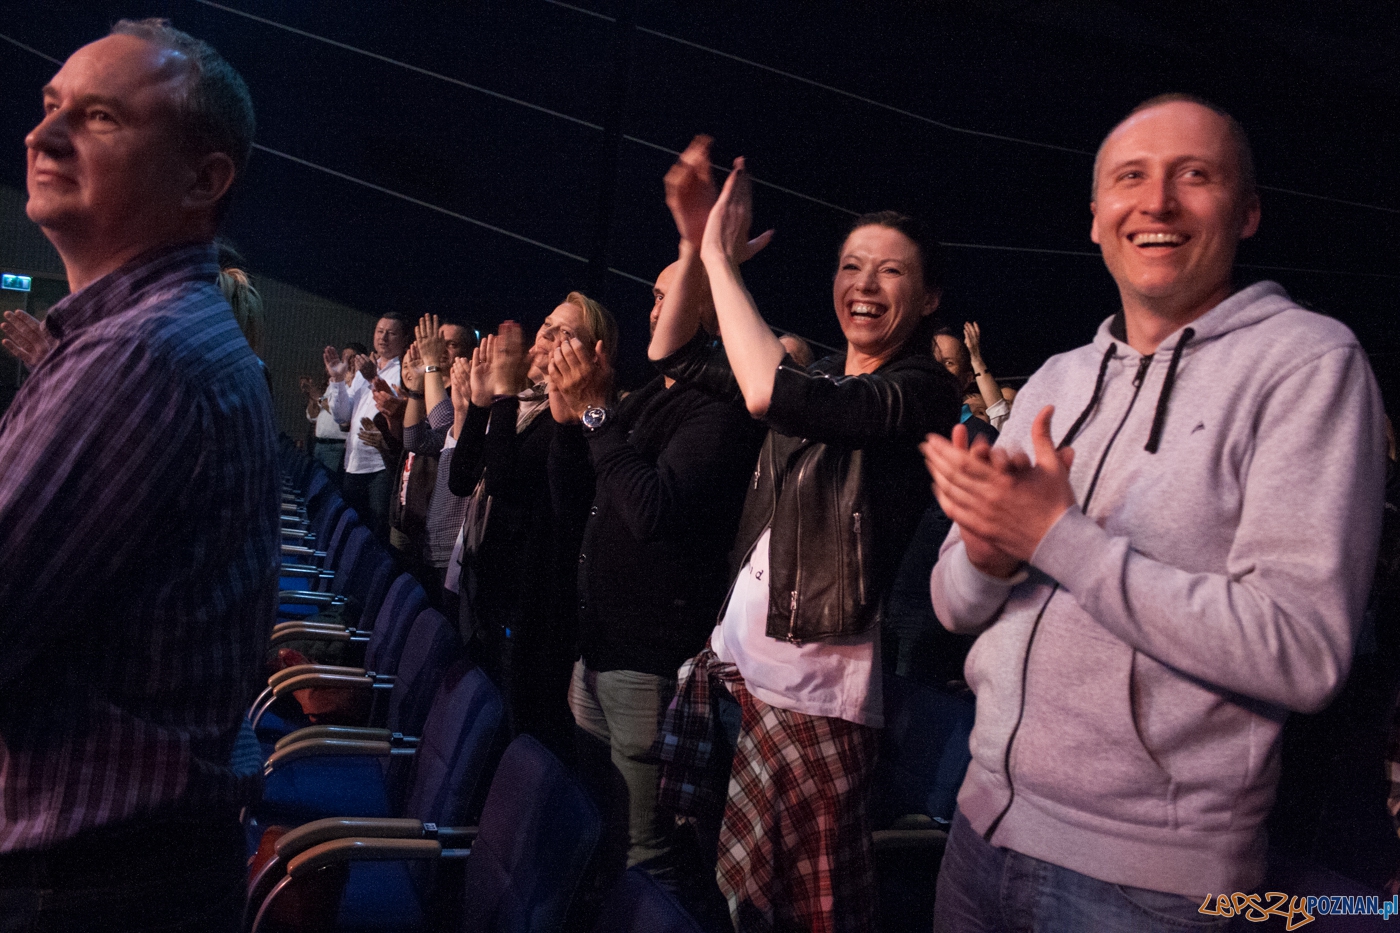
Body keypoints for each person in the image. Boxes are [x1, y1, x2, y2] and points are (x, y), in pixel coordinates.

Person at [924, 94, 1386, 932]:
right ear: (1096, 218)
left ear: (1247, 213)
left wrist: (1058, 540)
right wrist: (987, 556)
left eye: (1195, 176)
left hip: (1153, 888)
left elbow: (1305, 650)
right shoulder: (1060, 377)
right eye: (1129, 179)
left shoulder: (1310, 364)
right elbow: (953, 606)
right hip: (978, 825)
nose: (1158, 201)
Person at [0, 19, 277, 932]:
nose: (43, 136)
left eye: (101, 117)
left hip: (89, 888)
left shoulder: (139, 357)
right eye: (49, 109)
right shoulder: (150, 340)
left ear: (205, 179)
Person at [651, 136, 960, 932]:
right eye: (853, 265)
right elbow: (673, 352)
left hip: (814, 703)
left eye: (891, 271)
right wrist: (693, 247)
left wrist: (723, 263)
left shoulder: (921, 388)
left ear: (928, 299)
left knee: (797, 917)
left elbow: (764, 393)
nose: (865, 284)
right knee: (730, 902)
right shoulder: (822, 372)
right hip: (740, 679)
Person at [548, 254, 767, 904]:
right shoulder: (647, 395)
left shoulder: (718, 408)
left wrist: (595, 417)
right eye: (654, 292)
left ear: (708, 311)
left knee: (646, 858)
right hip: (595, 652)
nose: (654, 308)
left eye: (671, 295)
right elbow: (578, 501)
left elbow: (652, 510)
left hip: (646, 663)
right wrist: (570, 424)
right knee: (597, 828)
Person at [448, 297, 616, 761]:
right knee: (476, 717)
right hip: (485, 586)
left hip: (528, 604)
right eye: (548, 326)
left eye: (567, 335)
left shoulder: (568, 422)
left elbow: (504, 483)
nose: (549, 338)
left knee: (511, 728)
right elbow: (463, 479)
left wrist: (500, 398)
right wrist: (481, 404)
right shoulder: (522, 403)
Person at [400, 313, 477, 608]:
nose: (439, 348)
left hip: (452, 537)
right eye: (434, 343)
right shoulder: (439, 391)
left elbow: (445, 423)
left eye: (449, 344)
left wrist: (430, 364)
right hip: (428, 519)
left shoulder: (474, 398)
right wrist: (417, 388)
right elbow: (415, 441)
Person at [323, 313, 410, 540]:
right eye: (380, 331)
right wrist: (338, 380)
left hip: (379, 466)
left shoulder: (404, 370)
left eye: (391, 333)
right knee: (349, 531)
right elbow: (342, 416)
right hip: (353, 462)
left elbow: (399, 409)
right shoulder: (366, 370)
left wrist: (373, 378)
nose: (384, 337)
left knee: (375, 536)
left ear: (403, 339)